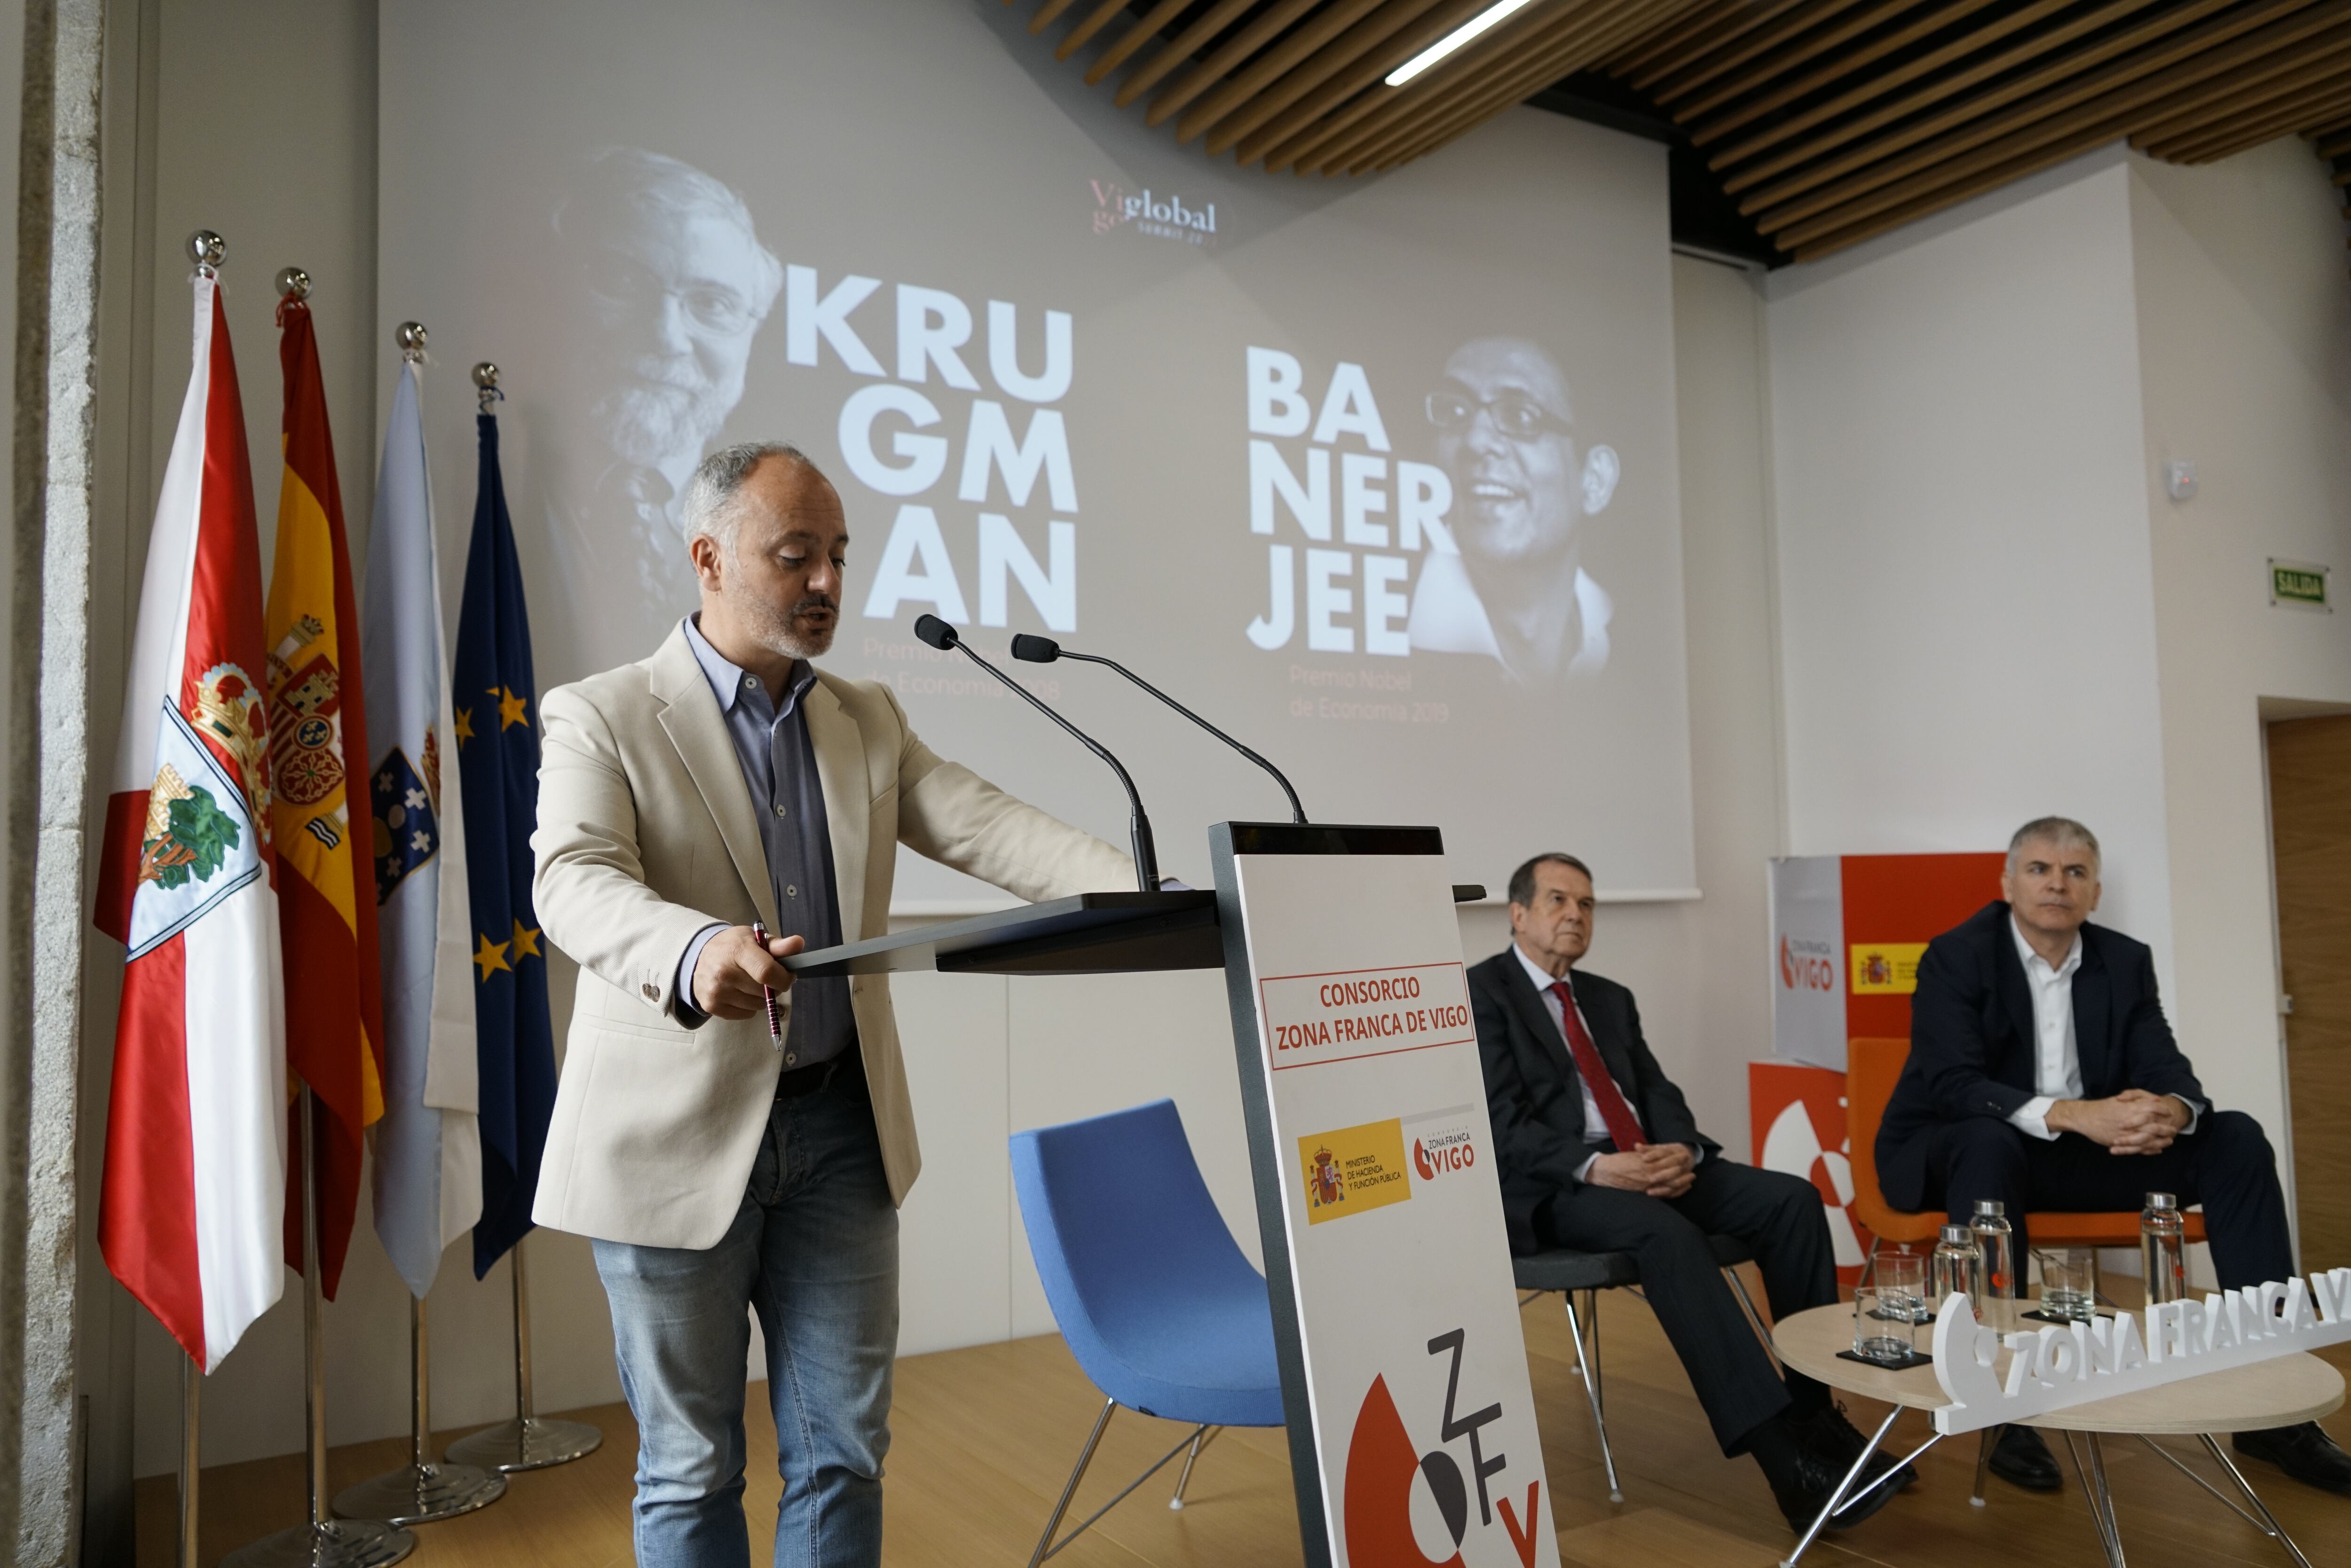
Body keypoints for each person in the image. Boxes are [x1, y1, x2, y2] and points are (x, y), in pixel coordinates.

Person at [529, 441, 1135, 1568]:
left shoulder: (865, 714)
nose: (825, 584)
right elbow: (572, 877)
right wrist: (695, 944)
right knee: (688, 1464)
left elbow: (990, 826)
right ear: (709, 557)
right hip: (666, 1139)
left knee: (844, 1451)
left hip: (839, 1133)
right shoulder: (603, 711)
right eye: (794, 554)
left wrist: (1156, 893)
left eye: (839, 558)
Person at [1879, 816, 2351, 1497]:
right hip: (1964, 1148)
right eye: (2040, 868)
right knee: (1989, 1140)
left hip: (2076, 1154)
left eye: (2075, 872)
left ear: (2095, 892)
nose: (2057, 884)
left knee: (2236, 1135)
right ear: (2008, 882)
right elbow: (1954, 1084)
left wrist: (2171, 1110)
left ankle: (2272, 1405)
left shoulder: (2123, 959)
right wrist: (2078, 1114)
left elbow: (2166, 1063)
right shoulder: (1957, 954)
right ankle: (2002, 1407)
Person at [1472, 853, 1910, 1535]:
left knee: (1791, 1200)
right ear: (1518, 912)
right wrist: (1597, 1167)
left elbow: (1656, 1093)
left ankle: (1814, 1412)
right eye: (1558, 900)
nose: (1576, 915)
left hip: (1645, 1166)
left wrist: (1684, 1149)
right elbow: (1501, 1126)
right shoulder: (1480, 993)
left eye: (1587, 903)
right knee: (1665, 1233)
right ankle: (1785, 1464)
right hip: (1556, 1187)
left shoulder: (1609, 996)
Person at [544, 148, 784, 646]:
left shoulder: (771, 549)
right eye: (623, 282)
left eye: (712, 304)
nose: (667, 336)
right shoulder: (479, 491)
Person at [1406, 337, 1620, 684]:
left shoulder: (1633, 642)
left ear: (1595, 481)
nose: (1476, 441)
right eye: (1455, 413)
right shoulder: (1376, 625)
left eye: (1521, 416)